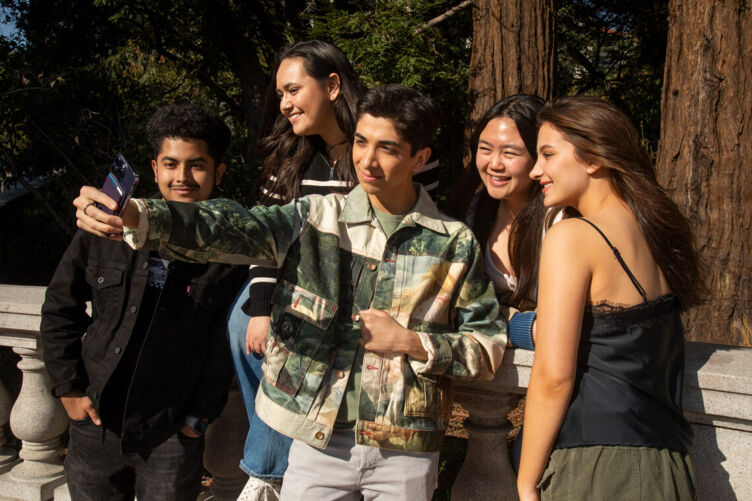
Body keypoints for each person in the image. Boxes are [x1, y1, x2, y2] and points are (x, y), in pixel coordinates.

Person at [73, 84, 507, 501]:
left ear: (420, 157)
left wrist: (412, 342)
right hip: (315, 439)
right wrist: (138, 214)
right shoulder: (315, 216)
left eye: (387, 148)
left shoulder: (453, 243)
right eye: (360, 142)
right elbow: (232, 225)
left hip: (405, 446)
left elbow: (486, 346)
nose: (367, 161)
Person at [227, 40, 441, 499]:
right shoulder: (289, 158)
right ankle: (277, 458)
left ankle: (266, 471)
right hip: (298, 287)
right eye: (279, 94)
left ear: (332, 85)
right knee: (242, 322)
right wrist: (262, 306)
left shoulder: (386, 146)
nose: (283, 104)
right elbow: (266, 239)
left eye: (292, 90)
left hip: (367, 292)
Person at [40, 103, 247, 500]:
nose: (182, 177)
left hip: (170, 431)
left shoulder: (230, 249)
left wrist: (198, 417)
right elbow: (60, 308)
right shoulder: (106, 226)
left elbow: (223, 343)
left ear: (219, 172)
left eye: (196, 165)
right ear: (154, 169)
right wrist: (68, 389)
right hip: (96, 422)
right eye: (171, 164)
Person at [517, 96, 703, 500]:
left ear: (593, 158)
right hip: (668, 465)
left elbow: (554, 377)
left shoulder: (573, 237)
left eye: (548, 154)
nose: (535, 170)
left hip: (600, 467)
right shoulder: (656, 234)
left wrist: (526, 481)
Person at [453, 94, 560, 351]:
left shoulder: (559, 220)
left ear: (540, 156)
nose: (494, 164)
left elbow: (561, 331)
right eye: (485, 149)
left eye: (510, 153)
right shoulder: (473, 209)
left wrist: (499, 322)